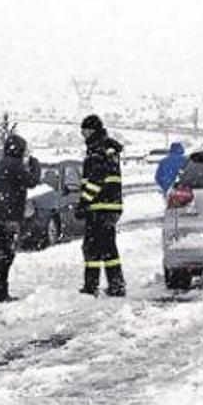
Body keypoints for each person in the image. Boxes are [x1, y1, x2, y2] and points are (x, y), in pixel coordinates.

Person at [0, 134, 41, 303]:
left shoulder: (2, 165)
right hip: (9, 216)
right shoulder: (15, 165)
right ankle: (2, 294)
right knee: (7, 254)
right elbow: (31, 181)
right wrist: (35, 165)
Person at [76, 114, 126, 297]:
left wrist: (84, 201)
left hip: (100, 207)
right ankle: (112, 283)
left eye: (84, 130)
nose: (82, 134)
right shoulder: (107, 148)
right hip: (109, 206)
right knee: (104, 246)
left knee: (94, 246)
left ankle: (99, 285)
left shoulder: (98, 150)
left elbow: (96, 179)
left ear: (91, 130)